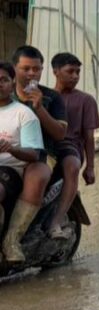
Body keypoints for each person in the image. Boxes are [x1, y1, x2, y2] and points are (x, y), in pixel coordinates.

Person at [3, 45, 67, 263]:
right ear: (14, 69)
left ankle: (12, 239)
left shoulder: (52, 98)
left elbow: (60, 133)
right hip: (5, 157)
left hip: (40, 154)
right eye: (26, 69)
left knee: (37, 174)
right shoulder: (6, 94)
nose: (32, 74)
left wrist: (39, 108)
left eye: (36, 69)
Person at [49, 52, 99, 239]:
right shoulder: (46, 97)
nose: (75, 76)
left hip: (71, 147)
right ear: (55, 72)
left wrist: (91, 167)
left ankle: (56, 222)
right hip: (48, 146)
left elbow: (89, 136)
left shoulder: (86, 100)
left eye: (78, 72)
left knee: (72, 167)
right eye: (70, 71)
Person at [0, 61, 44, 262]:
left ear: (12, 82)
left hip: (9, 170)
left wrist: (12, 148)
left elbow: (34, 154)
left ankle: (11, 241)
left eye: (3, 80)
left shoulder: (23, 114)